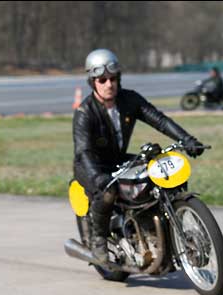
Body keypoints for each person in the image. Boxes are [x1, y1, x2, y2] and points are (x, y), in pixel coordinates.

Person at [73, 48, 206, 263]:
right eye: (102, 79)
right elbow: (83, 151)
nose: (109, 84)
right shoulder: (85, 112)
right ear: (92, 81)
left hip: (118, 158)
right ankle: (99, 241)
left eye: (113, 78)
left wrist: (187, 140)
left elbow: (159, 120)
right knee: (107, 193)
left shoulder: (129, 99)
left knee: (157, 174)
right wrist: (98, 177)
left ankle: (162, 230)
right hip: (90, 165)